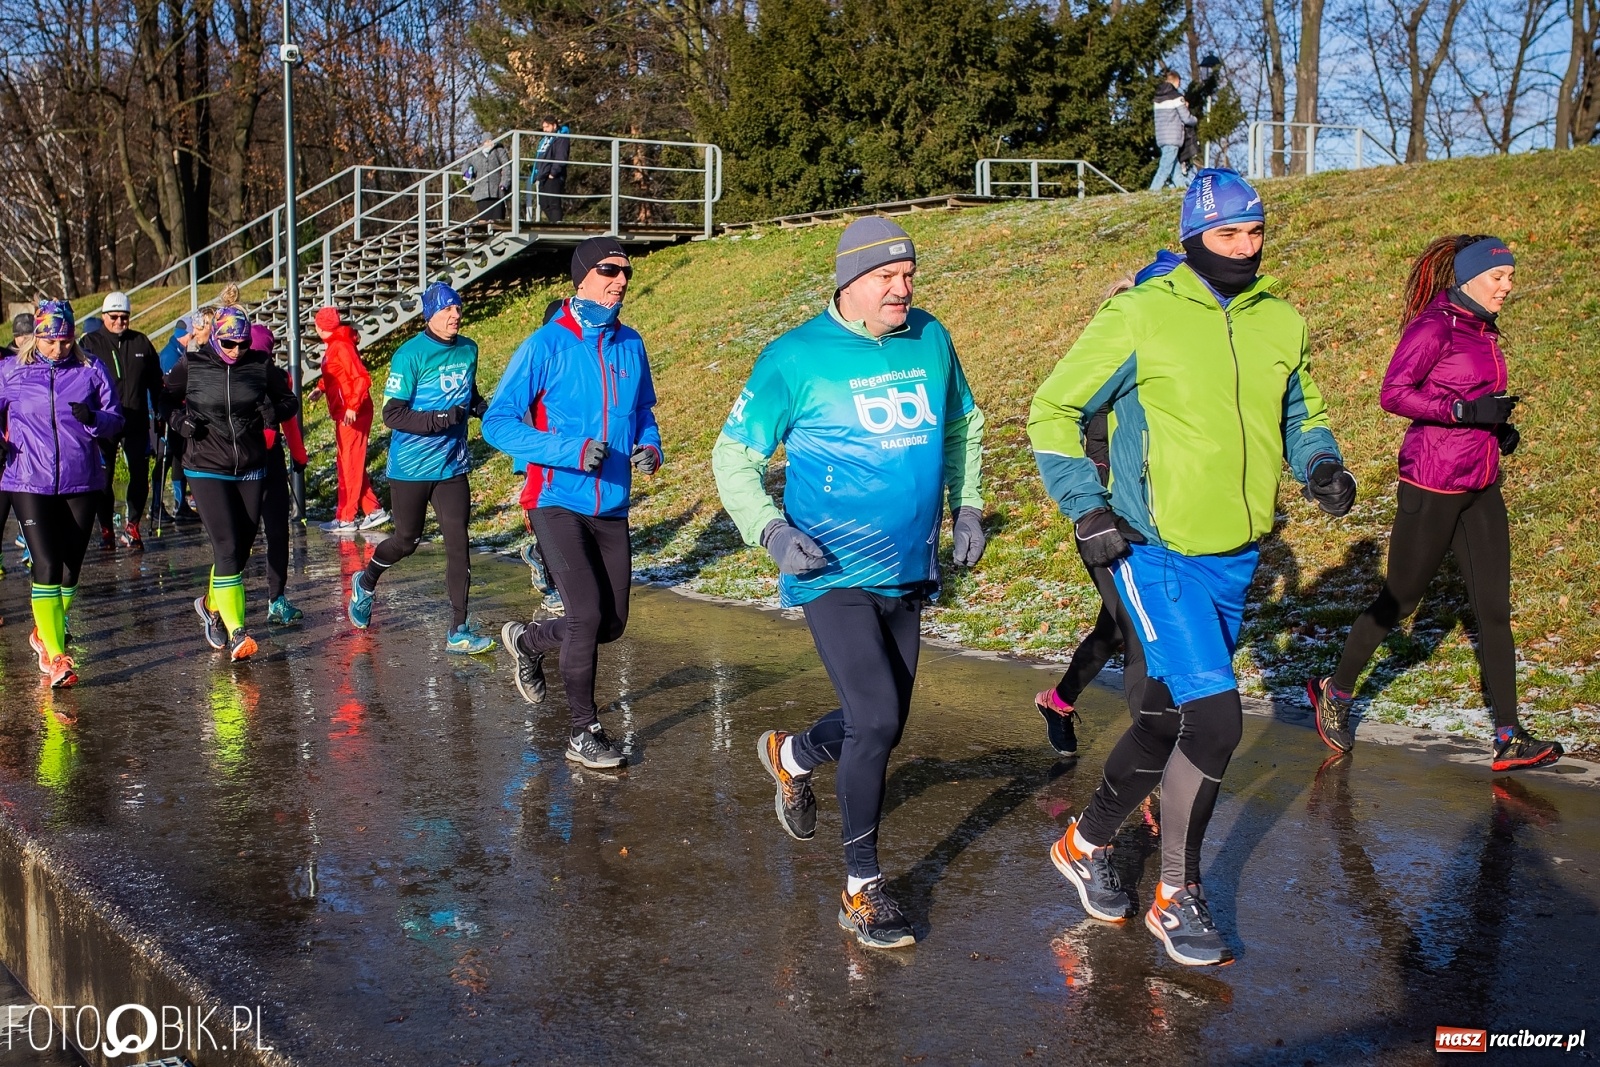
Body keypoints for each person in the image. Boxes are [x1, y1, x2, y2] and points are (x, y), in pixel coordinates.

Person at [1028, 169, 1355, 967]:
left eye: (1255, 233)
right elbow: (1053, 409)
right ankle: (1177, 895)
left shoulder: (1282, 320)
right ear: (1191, 236)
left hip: (1234, 555)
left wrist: (1319, 462)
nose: (1244, 249)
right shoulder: (1141, 313)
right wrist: (1087, 506)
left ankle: (1083, 842)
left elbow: (1299, 410)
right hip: (1153, 546)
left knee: (1166, 719)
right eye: (1227, 235)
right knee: (1216, 721)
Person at [712, 217, 987, 950]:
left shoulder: (930, 337)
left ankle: (793, 755)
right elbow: (732, 456)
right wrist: (769, 529)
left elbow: (963, 423)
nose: (903, 289)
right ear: (849, 281)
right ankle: (862, 888)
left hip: (907, 566)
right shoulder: (793, 358)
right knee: (874, 721)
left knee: (886, 719)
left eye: (909, 275)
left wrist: (967, 502)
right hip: (828, 567)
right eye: (886, 278)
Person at [1308, 236, 1563, 773]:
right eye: (1499, 277)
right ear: (1469, 277)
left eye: (1511, 277)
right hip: (1432, 481)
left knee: (1494, 611)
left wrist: (1498, 426)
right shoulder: (1435, 326)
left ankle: (1508, 736)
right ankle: (1336, 689)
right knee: (1399, 601)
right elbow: (1394, 392)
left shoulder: (1481, 329)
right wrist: (1465, 413)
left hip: (1481, 482)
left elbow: (1473, 400)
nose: (1508, 286)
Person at [485, 237, 663, 769]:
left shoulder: (631, 344)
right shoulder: (545, 345)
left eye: (626, 273)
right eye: (610, 270)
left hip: (611, 503)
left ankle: (530, 641)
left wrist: (650, 446)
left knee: (610, 624)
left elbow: (644, 411)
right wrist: (569, 450)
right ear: (582, 276)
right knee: (585, 614)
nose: (621, 281)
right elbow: (497, 423)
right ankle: (583, 732)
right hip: (556, 498)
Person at [347, 282, 493, 654]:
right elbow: (392, 414)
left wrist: (485, 411)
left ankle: (457, 628)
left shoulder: (468, 349)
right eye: (447, 310)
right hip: (410, 467)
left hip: (452, 465)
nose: (455, 316)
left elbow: (468, 393)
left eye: (458, 309)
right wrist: (442, 418)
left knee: (458, 542)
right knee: (406, 541)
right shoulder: (409, 355)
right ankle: (366, 581)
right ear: (429, 315)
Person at [166, 288, 298, 661]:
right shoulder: (193, 365)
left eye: (241, 343)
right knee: (225, 546)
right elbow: (164, 399)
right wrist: (179, 420)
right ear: (216, 336)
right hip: (205, 464)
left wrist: (274, 412)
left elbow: (290, 400)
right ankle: (239, 630)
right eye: (229, 343)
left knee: (239, 549)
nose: (236, 350)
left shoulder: (258, 365)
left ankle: (210, 605)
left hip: (251, 465)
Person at [0, 301, 125, 687]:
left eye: (66, 340)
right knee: (47, 564)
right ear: (36, 337)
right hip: (26, 479)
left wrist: (94, 420)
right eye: (51, 341)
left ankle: (43, 630)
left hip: (82, 480)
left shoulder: (90, 370)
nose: (59, 349)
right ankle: (56, 657)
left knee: (71, 569)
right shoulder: (11, 371)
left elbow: (116, 418)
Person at [80, 290, 162, 549]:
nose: (119, 322)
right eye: (114, 317)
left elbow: (155, 382)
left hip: (136, 419)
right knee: (103, 479)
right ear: (104, 316)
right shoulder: (90, 342)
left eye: (124, 317)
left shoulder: (140, 342)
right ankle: (106, 527)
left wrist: (160, 411)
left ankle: (133, 525)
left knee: (139, 474)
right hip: (105, 419)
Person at [250, 324, 308, 626]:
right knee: (235, 541)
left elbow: (290, 420)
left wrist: (298, 456)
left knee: (277, 532)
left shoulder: (279, 377)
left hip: (270, 462)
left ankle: (277, 598)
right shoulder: (235, 374)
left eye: (265, 355)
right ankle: (217, 606)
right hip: (240, 463)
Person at [312, 307, 387, 533]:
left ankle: (346, 517)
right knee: (350, 462)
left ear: (319, 328)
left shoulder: (341, 346)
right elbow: (336, 375)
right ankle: (373, 511)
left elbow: (361, 378)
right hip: (345, 410)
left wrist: (353, 406)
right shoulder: (336, 345)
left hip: (352, 412)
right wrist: (320, 388)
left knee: (348, 464)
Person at [154, 314, 202, 525]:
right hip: (169, 416)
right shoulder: (170, 355)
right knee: (166, 460)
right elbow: (168, 388)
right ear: (186, 334)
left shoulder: (179, 351)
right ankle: (159, 505)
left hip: (180, 415)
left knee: (178, 459)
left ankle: (180, 505)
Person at [0, 313, 32, 576]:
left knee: (31, 511)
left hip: (24, 450)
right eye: (25, 336)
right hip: (4, 448)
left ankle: (30, 547)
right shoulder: (8, 363)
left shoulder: (25, 362)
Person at [1150, 70, 1197, 192]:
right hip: (1173, 138)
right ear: (1177, 81)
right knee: (1164, 169)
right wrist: (1195, 120)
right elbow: (1186, 118)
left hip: (1162, 137)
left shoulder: (1158, 98)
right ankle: (1152, 192)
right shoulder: (1176, 97)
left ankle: (1183, 192)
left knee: (1175, 171)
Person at [528, 119, 571, 224]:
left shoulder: (561, 137)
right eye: (543, 127)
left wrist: (553, 172)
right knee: (543, 204)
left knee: (554, 203)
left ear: (554, 126)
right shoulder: (544, 140)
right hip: (543, 175)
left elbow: (561, 156)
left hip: (553, 176)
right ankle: (554, 223)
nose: (545, 130)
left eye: (547, 127)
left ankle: (557, 226)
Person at [465, 136, 511, 223]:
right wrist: (467, 173)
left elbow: (507, 167)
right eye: (487, 141)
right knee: (483, 220)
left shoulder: (499, 151)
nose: (489, 143)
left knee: (498, 220)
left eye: (491, 140)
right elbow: (466, 164)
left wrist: (505, 183)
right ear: (483, 142)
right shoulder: (476, 153)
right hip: (481, 192)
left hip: (497, 191)